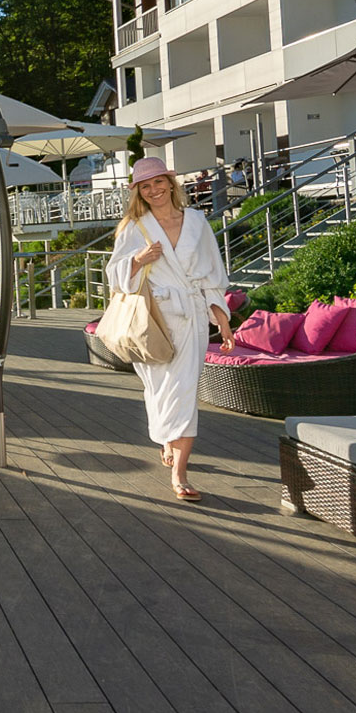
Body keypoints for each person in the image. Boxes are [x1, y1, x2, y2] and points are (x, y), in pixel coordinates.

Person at [103, 157, 232, 503]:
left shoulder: (197, 222)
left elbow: (212, 274)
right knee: (159, 390)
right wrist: (138, 260)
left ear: (171, 184)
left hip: (191, 315)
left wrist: (222, 319)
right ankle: (166, 439)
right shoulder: (134, 226)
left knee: (184, 392)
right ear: (139, 193)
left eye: (159, 182)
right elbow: (113, 273)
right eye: (146, 186)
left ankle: (180, 471)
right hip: (154, 320)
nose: (154, 190)